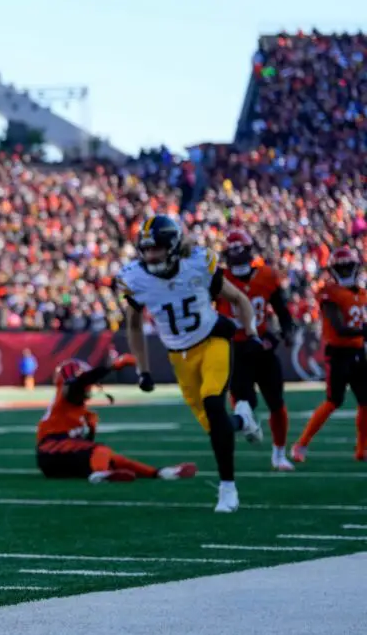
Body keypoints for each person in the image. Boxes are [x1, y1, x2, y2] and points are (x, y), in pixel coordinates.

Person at [118, 215, 261, 513]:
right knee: (216, 426)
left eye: (156, 248)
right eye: (145, 249)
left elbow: (238, 298)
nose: (150, 255)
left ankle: (227, 490)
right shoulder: (135, 278)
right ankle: (243, 420)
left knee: (213, 402)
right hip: (178, 355)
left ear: (171, 246)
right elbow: (132, 326)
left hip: (213, 341)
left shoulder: (197, 264)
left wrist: (251, 333)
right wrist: (143, 370)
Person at [37, 354, 197, 483]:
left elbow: (84, 447)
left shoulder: (84, 413)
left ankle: (160, 473)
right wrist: (113, 366)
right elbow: (76, 384)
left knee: (114, 458)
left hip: (60, 458)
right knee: (101, 450)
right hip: (49, 450)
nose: (90, 387)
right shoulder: (64, 399)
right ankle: (100, 475)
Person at [216, 229, 296, 471]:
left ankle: (279, 454)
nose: (237, 256)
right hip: (235, 348)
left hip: (261, 346)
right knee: (243, 401)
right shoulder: (219, 279)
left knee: (277, 403)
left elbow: (283, 312)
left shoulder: (267, 276)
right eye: (233, 251)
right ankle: (249, 424)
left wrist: (283, 334)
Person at [292, 246, 367, 462]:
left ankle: (362, 450)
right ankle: (301, 444)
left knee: (365, 402)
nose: (344, 272)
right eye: (340, 268)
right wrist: (364, 331)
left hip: (359, 351)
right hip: (339, 353)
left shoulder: (361, 293)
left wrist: (363, 333)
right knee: (333, 401)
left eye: (347, 267)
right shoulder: (329, 293)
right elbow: (339, 327)